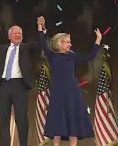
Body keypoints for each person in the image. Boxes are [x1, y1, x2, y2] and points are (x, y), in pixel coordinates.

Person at [37, 16, 100, 146]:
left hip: (72, 92)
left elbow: (89, 57)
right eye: (67, 42)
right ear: (59, 43)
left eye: (70, 42)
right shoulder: (53, 55)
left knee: (73, 121)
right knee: (58, 122)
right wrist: (40, 27)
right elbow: (42, 42)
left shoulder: (73, 56)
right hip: (58, 93)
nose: (70, 44)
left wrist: (98, 40)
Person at [0, 25, 42, 146]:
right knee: (3, 120)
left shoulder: (26, 48)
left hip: (19, 86)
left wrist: (40, 29)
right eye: (15, 33)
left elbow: (40, 46)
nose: (18, 35)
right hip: (3, 85)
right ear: (9, 36)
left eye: (20, 33)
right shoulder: (1, 48)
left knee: (22, 119)